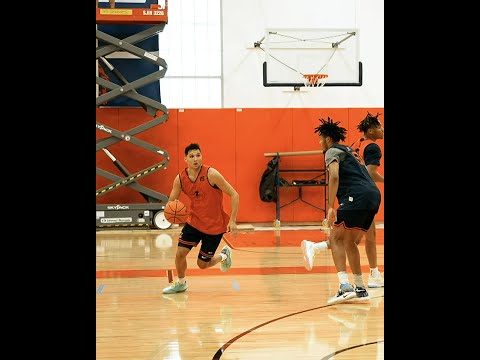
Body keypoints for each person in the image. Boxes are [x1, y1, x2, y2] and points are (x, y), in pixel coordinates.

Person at [301, 117, 381, 305]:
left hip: (356, 196)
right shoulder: (350, 150)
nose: (320, 142)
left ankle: (345, 286)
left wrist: (330, 207)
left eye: (321, 139)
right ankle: (360, 288)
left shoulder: (331, 151)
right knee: (349, 241)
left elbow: (334, 175)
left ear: (328, 139)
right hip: (373, 196)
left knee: (336, 238)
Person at [162, 143, 240, 294]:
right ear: (185, 159)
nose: (195, 159)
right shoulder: (180, 179)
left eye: (198, 155)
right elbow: (171, 202)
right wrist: (173, 209)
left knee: (202, 264)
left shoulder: (212, 174)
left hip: (214, 226)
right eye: (191, 156)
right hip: (194, 222)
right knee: (180, 254)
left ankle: (224, 255)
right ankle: (181, 283)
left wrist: (233, 220)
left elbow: (235, 195)